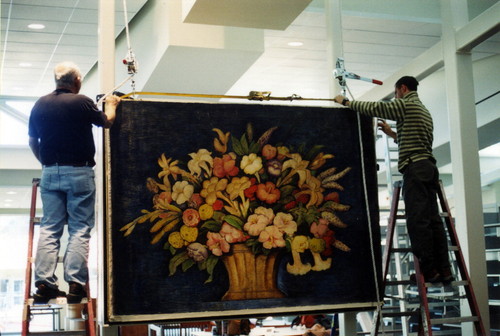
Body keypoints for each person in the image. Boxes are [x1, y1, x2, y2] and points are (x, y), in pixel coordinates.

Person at [334, 76, 452, 284]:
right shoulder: (423, 111)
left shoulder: (405, 104)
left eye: (396, 92)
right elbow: (415, 140)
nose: (396, 96)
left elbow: (375, 108)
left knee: (418, 221)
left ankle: (429, 270)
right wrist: (392, 134)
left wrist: (346, 102)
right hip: (429, 168)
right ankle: (444, 269)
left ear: (402, 88)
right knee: (433, 220)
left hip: (415, 169)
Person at [28, 61, 121, 303]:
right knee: (80, 228)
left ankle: (44, 283)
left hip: (50, 172)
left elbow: (32, 141)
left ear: (57, 81)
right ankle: (76, 284)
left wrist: (47, 164)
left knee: (50, 227)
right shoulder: (81, 102)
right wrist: (111, 104)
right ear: (76, 81)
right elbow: (107, 121)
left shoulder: (40, 104)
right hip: (79, 172)